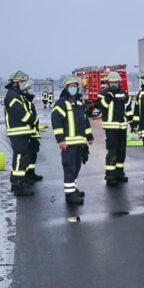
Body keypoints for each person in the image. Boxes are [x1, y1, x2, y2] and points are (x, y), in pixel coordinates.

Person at [51, 76, 93, 205]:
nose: (73, 88)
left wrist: (89, 136)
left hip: (79, 142)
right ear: (66, 88)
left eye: (75, 86)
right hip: (68, 143)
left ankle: (73, 189)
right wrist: (60, 140)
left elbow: (85, 121)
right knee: (69, 167)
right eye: (71, 86)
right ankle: (69, 195)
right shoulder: (61, 103)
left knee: (76, 167)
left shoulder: (79, 103)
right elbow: (56, 122)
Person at [4, 71, 37, 196]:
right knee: (19, 158)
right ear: (15, 83)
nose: (23, 84)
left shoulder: (16, 95)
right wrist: (32, 118)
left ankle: (20, 181)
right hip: (17, 132)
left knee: (22, 158)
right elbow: (21, 113)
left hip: (22, 132)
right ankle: (17, 185)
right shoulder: (12, 96)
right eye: (22, 82)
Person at [98, 71, 133, 186]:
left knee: (121, 151)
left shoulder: (123, 93)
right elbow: (101, 106)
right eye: (111, 82)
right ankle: (110, 175)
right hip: (111, 127)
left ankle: (119, 173)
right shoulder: (103, 93)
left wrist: (132, 122)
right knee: (112, 151)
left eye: (116, 82)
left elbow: (128, 108)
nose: (114, 84)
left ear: (119, 82)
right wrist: (109, 97)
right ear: (108, 82)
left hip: (122, 127)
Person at [22, 80, 43, 182]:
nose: (29, 91)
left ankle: (31, 173)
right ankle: (25, 176)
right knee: (27, 156)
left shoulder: (29, 102)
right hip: (27, 133)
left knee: (33, 154)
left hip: (32, 133)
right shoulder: (23, 101)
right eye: (27, 89)